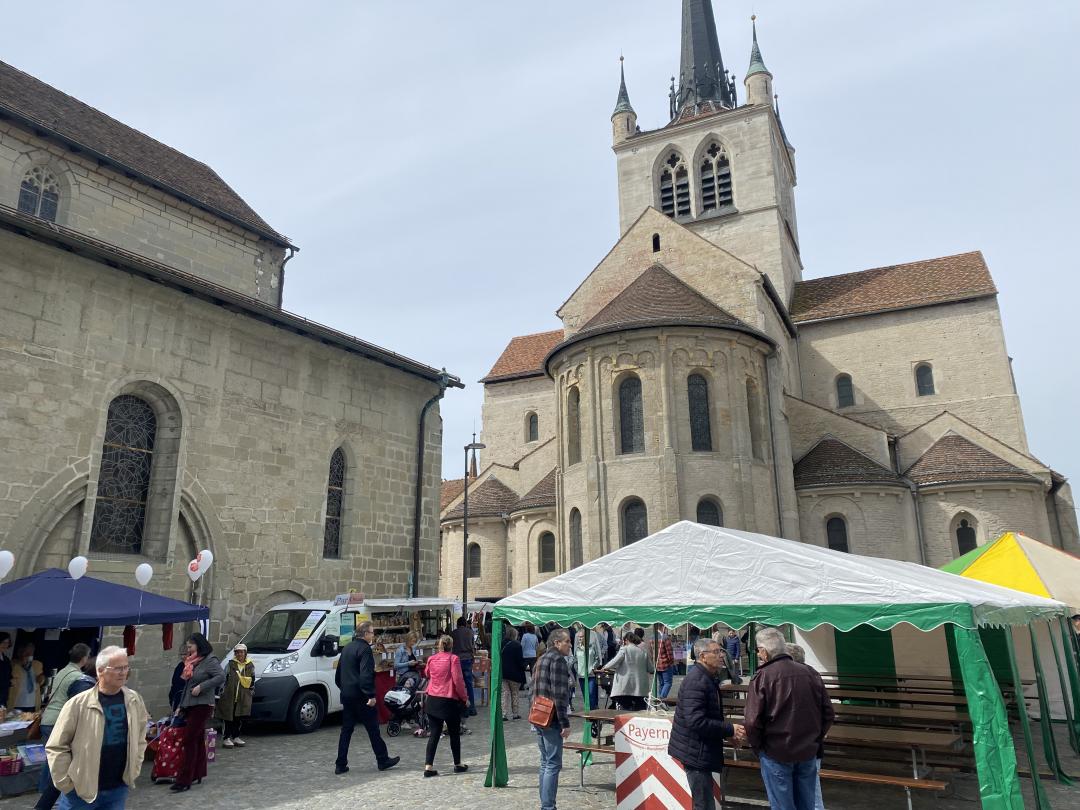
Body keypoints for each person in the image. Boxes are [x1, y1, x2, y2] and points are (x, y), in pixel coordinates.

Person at [45, 645, 149, 810]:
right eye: (117, 668)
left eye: (125, 667)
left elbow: (141, 736)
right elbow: (57, 745)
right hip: (80, 791)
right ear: (100, 671)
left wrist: (134, 768)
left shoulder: (134, 700)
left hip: (117, 789)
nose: (123, 672)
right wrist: (66, 782)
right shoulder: (78, 703)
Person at [744, 628, 835, 810]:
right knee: (807, 804)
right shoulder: (810, 673)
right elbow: (828, 713)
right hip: (806, 750)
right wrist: (815, 739)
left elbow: (752, 721)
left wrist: (759, 748)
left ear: (763, 651)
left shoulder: (763, 676)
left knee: (783, 806)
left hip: (776, 752)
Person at [668, 637, 742, 810]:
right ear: (702, 656)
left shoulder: (707, 676)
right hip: (694, 751)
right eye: (716, 652)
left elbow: (711, 713)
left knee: (705, 802)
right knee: (704, 804)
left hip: (699, 749)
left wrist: (726, 733)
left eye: (721, 652)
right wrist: (730, 728)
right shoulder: (697, 680)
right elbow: (697, 721)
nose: (721, 656)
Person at [335, 620, 399, 775]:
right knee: (373, 729)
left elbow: (338, 675)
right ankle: (382, 760)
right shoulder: (364, 650)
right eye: (372, 632)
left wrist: (344, 688)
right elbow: (366, 675)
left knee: (346, 730)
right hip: (362, 696)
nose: (373, 635)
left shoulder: (347, 648)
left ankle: (340, 764)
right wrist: (370, 694)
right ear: (365, 634)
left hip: (347, 695)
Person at [36, 644, 92, 810]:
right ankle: (53, 798)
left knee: (51, 761)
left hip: (48, 719)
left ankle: (45, 795)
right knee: (60, 763)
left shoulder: (63, 670)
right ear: (84, 658)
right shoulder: (77, 677)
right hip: (57, 721)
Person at [171, 633, 224, 792]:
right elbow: (187, 686)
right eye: (187, 647)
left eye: (190, 646)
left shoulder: (210, 661)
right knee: (197, 739)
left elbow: (220, 676)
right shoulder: (192, 662)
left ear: (198, 645)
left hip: (203, 704)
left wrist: (202, 687)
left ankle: (184, 779)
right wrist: (180, 706)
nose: (188, 649)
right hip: (191, 704)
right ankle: (198, 773)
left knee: (189, 740)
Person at [532, 628, 572, 810]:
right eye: (567, 642)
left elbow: (533, 690)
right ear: (557, 643)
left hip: (538, 715)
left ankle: (545, 804)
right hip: (551, 718)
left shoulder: (541, 659)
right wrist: (565, 723)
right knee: (553, 763)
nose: (569, 645)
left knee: (545, 762)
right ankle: (548, 806)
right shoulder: (558, 660)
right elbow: (560, 695)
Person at [422, 635, 469, 777]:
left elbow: (427, 673)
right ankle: (457, 764)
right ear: (451, 645)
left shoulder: (432, 659)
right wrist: (465, 698)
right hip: (448, 700)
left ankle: (428, 767)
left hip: (433, 699)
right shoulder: (453, 659)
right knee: (454, 733)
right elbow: (458, 681)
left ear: (439, 645)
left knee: (434, 734)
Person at [601, 632, 654, 711]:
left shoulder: (624, 649)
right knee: (639, 712)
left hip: (625, 687)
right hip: (640, 688)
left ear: (626, 640)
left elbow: (614, 662)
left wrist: (604, 667)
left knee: (624, 712)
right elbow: (651, 669)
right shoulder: (643, 652)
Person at [217, 643, 254, 749]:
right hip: (230, 694)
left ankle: (236, 736)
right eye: (237, 652)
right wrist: (221, 691)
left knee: (239, 717)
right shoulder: (231, 664)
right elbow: (223, 678)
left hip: (243, 695)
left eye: (241, 652)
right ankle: (226, 738)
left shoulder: (250, 665)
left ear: (245, 653)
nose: (239, 654)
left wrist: (251, 691)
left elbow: (252, 679)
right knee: (228, 717)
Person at [450, 618, 477, 716]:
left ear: (457, 624)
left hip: (457, 659)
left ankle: (461, 708)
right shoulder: (470, 632)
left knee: (458, 684)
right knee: (469, 684)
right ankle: (472, 708)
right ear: (465, 624)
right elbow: (473, 646)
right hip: (468, 659)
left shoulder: (453, 633)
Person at [9, 641, 45, 712]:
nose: (28, 655)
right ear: (20, 652)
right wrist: (22, 663)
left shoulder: (37, 664)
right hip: (17, 703)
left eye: (30, 652)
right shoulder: (12, 664)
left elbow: (40, 681)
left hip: (32, 703)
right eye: (26, 652)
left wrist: (41, 679)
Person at [500, 626, 526, 721]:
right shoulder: (517, 645)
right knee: (514, 693)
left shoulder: (501, 643)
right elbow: (520, 661)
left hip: (503, 672)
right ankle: (515, 714)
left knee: (504, 693)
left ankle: (504, 714)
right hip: (515, 674)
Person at [574, 627, 603, 710]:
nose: (579, 638)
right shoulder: (577, 648)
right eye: (579, 637)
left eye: (582, 636)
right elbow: (575, 661)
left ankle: (593, 713)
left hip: (590, 675)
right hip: (581, 675)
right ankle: (588, 713)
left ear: (586, 637)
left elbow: (597, 659)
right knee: (585, 696)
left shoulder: (591, 647)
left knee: (591, 694)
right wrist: (577, 670)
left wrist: (593, 668)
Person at [654, 624, 675, 700]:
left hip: (657, 664)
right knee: (668, 683)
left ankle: (660, 699)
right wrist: (672, 662)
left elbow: (651, 652)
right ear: (663, 626)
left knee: (661, 683)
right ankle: (662, 699)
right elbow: (669, 652)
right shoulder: (665, 638)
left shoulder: (652, 637)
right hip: (666, 663)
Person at [0, 633, 12, 706]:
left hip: (3, 697)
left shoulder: (6, 659)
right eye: (3, 642)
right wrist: (9, 682)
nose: (5, 645)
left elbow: (8, 675)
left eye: (7, 642)